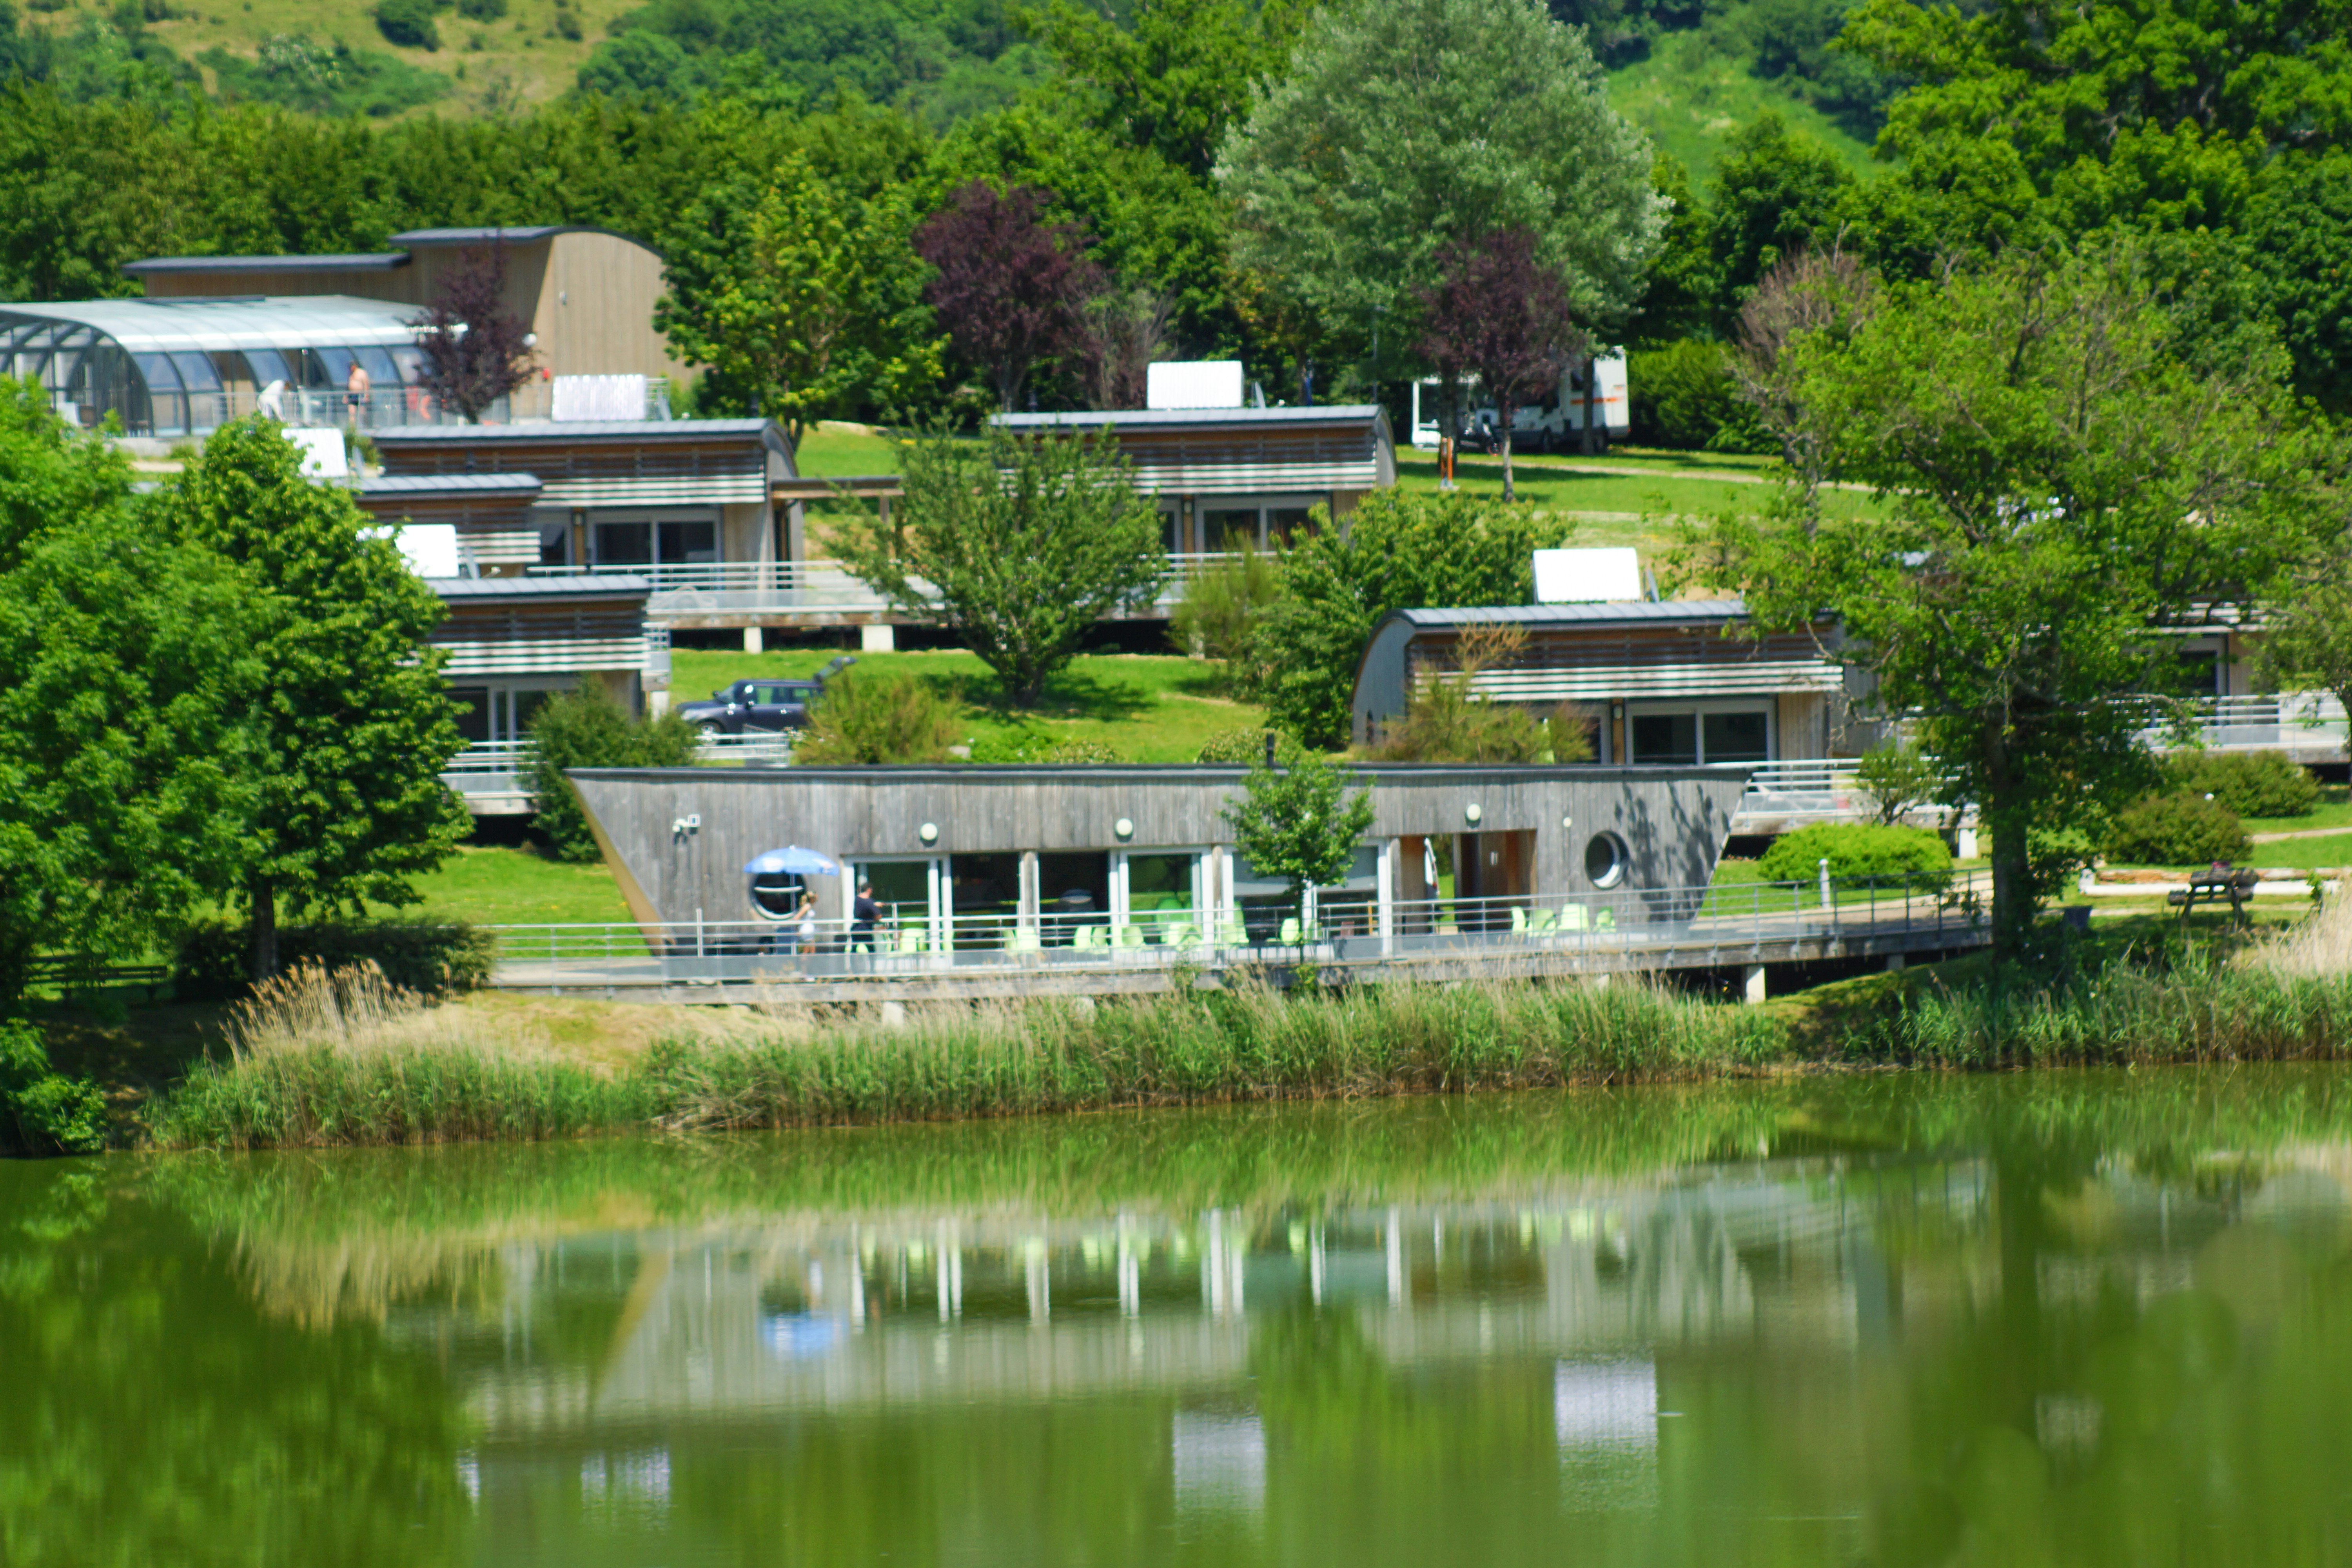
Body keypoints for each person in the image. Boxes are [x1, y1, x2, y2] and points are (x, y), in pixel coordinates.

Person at [850, 879, 881, 953]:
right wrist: (875, 906)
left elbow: (864, 907)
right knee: (872, 952)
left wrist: (874, 904)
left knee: (854, 951)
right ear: (869, 890)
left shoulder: (857, 899)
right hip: (866, 930)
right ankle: (872, 965)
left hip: (856, 929)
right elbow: (878, 916)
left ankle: (851, 964)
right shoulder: (869, 901)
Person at [793, 886, 819, 956]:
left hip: (809, 930)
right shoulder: (807, 906)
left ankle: (809, 966)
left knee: (811, 951)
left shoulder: (809, 906)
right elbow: (797, 918)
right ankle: (804, 966)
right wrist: (797, 930)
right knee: (807, 951)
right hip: (806, 930)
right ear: (812, 898)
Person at [345, 361, 371, 425]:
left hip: (360, 394)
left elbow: (366, 384)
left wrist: (366, 395)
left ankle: (366, 425)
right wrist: (345, 396)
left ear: (355, 366)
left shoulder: (361, 373)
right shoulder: (350, 374)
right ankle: (352, 427)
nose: (351, 369)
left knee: (362, 412)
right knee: (351, 412)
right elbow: (348, 385)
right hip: (352, 394)